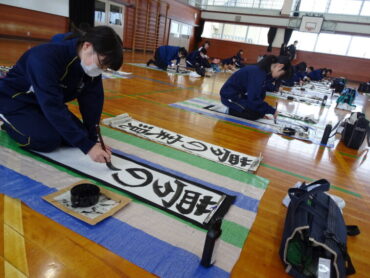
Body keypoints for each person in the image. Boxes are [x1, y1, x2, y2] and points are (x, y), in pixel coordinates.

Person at [0, 25, 123, 164]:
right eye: (101, 64)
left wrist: (92, 139)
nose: (101, 70)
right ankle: (7, 123)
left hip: (42, 103)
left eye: (105, 68)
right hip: (15, 100)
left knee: (80, 135)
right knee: (47, 140)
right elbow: (52, 105)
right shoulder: (44, 57)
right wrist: (88, 147)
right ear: (87, 46)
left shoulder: (89, 65)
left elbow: (93, 101)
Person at [220, 55, 292, 121]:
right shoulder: (258, 72)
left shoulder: (264, 73)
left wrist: (262, 111)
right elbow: (254, 98)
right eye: (281, 74)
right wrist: (272, 111)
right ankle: (232, 108)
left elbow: (260, 94)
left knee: (258, 112)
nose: (278, 77)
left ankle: (238, 108)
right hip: (229, 96)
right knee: (253, 115)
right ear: (279, 66)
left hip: (240, 95)